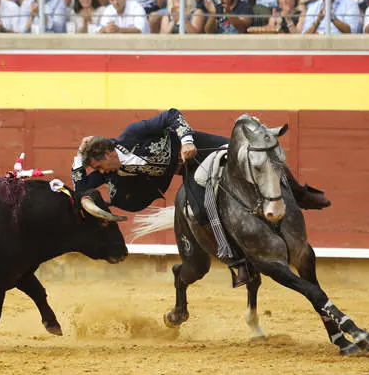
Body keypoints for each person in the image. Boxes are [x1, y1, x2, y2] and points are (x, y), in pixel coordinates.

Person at [71, 109, 330, 286]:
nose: (101, 173)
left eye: (99, 166)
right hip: (186, 170)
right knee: (201, 212)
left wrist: (185, 140)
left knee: (255, 156)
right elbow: (82, 187)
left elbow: (171, 114)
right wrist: (77, 157)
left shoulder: (133, 134)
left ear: (107, 153)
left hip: (198, 145)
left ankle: (301, 194)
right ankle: (237, 261)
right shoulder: (111, 175)